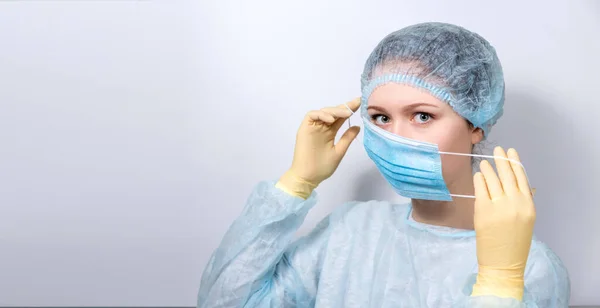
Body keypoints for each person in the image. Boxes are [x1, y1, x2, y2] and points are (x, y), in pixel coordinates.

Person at [198, 22, 570, 307]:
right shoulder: (349, 231)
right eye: (380, 118)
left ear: (475, 125)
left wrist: (498, 284)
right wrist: (296, 183)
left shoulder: (528, 266)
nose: (397, 136)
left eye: (422, 116)